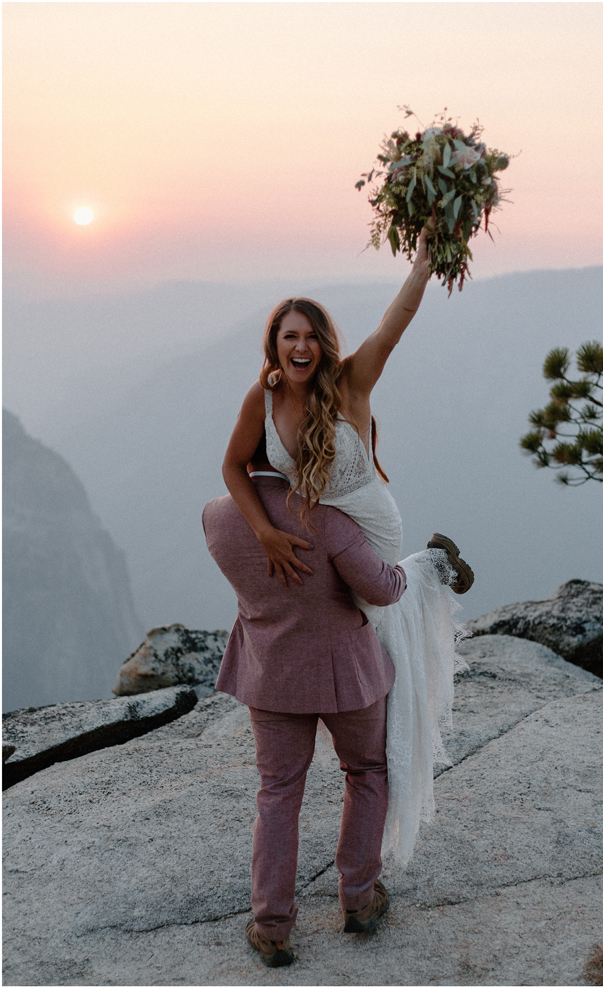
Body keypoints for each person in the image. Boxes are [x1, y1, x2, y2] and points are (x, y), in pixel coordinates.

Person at [222, 228, 473, 865]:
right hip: (318, 531)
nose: (301, 345)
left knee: (380, 618)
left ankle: (430, 563)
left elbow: (395, 324)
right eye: (290, 336)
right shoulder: (265, 396)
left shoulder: (352, 384)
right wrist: (264, 530)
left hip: (367, 526)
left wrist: (421, 265)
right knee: (358, 628)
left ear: (324, 344)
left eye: (311, 335)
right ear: (275, 347)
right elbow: (234, 469)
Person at [203, 466, 409, 966]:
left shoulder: (216, 517)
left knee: (277, 792)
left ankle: (272, 927)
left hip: (270, 674)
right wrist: (410, 572)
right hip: (347, 674)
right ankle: (359, 898)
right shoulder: (328, 518)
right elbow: (382, 589)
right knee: (366, 772)